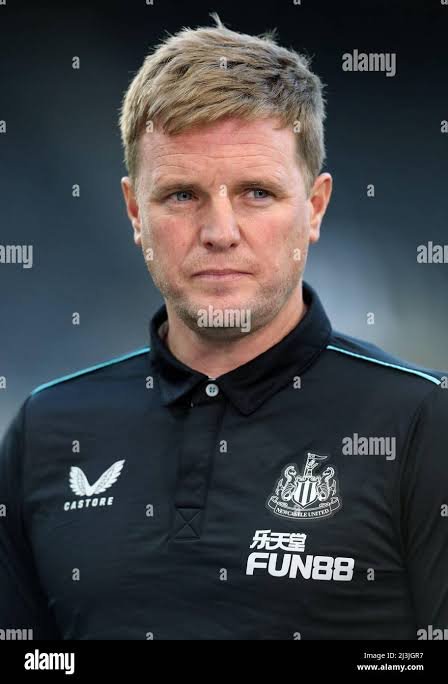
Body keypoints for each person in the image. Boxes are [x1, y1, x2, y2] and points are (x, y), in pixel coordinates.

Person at [1, 13, 447, 641]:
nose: (219, 231)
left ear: (314, 207)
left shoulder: (424, 421)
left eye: (256, 193)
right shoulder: (47, 429)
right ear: (134, 211)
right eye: (182, 195)